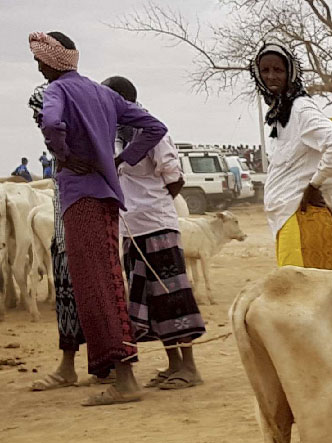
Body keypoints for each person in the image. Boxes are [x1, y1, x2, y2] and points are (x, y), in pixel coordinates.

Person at [32, 29, 168, 406]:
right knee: (106, 279)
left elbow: (51, 124)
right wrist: (120, 160)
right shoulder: (104, 93)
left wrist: (62, 155)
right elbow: (155, 127)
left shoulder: (57, 92)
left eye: (40, 60)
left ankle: (125, 379)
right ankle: (117, 372)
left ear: (51, 61)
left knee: (96, 286)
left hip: (80, 196)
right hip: (107, 195)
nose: (38, 67)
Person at [103, 76, 205, 389]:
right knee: (151, 299)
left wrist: (153, 204)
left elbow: (175, 178)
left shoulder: (152, 131)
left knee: (172, 294)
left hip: (157, 224)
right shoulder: (115, 136)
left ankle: (189, 367)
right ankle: (173, 364)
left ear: (120, 101)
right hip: (131, 228)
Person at [250, 41, 332, 267]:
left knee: (303, 295)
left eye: (278, 70)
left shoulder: (300, 108)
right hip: (290, 218)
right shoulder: (282, 112)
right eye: (265, 71)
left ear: (290, 73)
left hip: (302, 218)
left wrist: (315, 185)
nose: (271, 76)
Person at [25, 84, 90, 393]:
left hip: (77, 235)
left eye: (41, 114)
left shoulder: (72, 148)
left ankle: (72, 368)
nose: (39, 121)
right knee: (71, 299)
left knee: (81, 298)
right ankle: (82, 366)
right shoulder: (60, 152)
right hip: (66, 232)